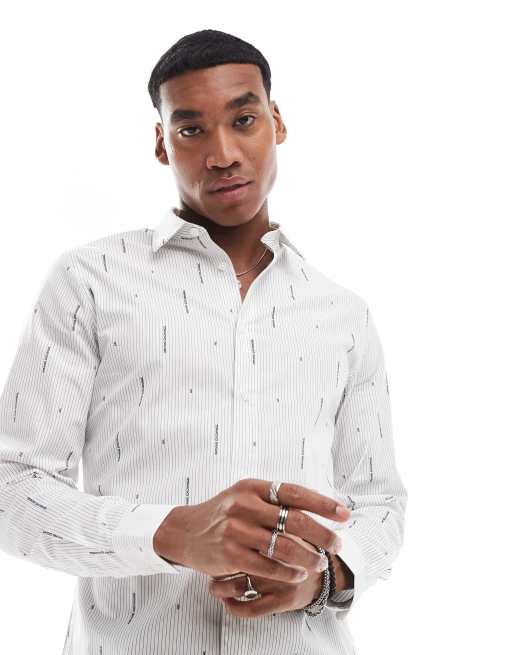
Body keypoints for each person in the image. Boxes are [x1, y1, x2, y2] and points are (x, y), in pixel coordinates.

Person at [0, 28, 408, 655]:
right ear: (161, 142)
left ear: (276, 121)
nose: (222, 154)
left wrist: (323, 578)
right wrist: (171, 534)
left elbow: (379, 503)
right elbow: (12, 488)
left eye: (243, 120)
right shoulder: (90, 281)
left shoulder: (343, 315)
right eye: (191, 129)